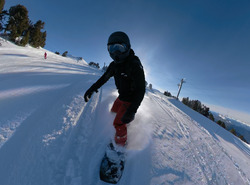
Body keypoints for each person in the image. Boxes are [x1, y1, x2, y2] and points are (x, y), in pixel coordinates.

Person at [84, 31, 145, 147]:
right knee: (113, 112)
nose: (116, 52)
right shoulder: (114, 65)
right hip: (121, 96)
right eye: (112, 48)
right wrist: (92, 88)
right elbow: (104, 78)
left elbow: (141, 89)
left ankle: (120, 147)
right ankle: (124, 124)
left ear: (127, 48)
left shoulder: (134, 64)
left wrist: (132, 110)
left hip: (130, 100)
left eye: (120, 48)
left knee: (118, 123)